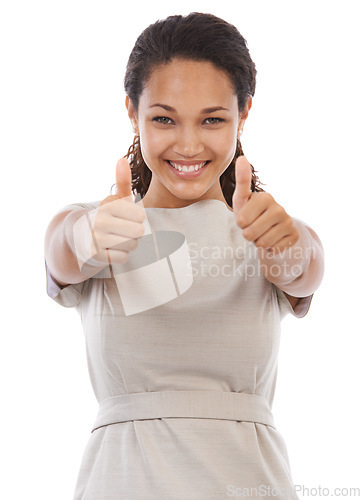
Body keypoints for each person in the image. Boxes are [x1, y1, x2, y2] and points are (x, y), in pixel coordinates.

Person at [44, 12, 324, 499]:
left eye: (213, 119)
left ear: (245, 113)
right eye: (164, 119)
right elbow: (61, 250)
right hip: (123, 483)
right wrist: (86, 238)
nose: (189, 144)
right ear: (132, 111)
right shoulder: (100, 224)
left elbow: (305, 266)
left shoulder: (266, 230)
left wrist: (290, 250)